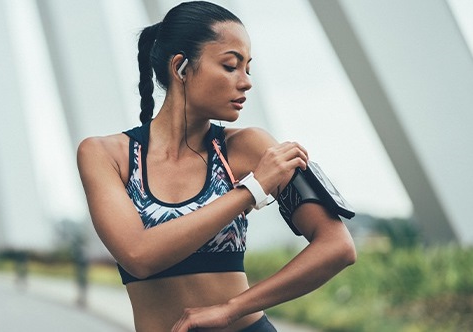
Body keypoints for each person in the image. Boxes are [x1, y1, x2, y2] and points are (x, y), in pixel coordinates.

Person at [76, 2, 356, 331]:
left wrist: (230, 309)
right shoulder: (106, 154)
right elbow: (138, 257)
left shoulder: (251, 147)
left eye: (247, 69)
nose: (246, 82)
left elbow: (337, 247)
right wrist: (251, 190)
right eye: (230, 66)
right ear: (180, 68)